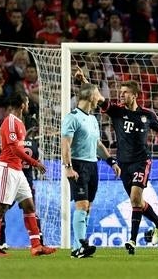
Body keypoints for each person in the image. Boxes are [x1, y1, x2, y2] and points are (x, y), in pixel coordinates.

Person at [99, 80, 158, 255]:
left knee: (135, 197)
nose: (121, 95)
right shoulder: (116, 111)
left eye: (126, 92)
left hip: (142, 161)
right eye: (120, 92)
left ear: (135, 95)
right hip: (123, 164)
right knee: (137, 202)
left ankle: (132, 240)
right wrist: (84, 82)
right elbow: (99, 99)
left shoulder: (148, 115)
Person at [0, 91, 56, 257]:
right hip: (6, 169)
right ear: (21, 104)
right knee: (0, 208)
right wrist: (34, 163)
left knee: (29, 205)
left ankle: (36, 246)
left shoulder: (20, 123)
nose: (27, 105)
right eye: (26, 101)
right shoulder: (11, 121)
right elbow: (12, 148)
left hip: (17, 171)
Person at [61, 82, 121, 258]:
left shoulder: (93, 119)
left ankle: (76, 249)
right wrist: (68, 167)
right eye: (97, 95)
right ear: (89, 96)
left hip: (92, 165)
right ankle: (81, 244)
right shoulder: (72, 117)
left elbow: (97, 144)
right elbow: (65, 144)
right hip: (78, 165)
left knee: (88, 208)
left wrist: (111, 161)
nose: (99, 99)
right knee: (82, 205)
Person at [0, 129, 43, 251]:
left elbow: (1, 159)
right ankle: (40, 241)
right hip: (27, 182)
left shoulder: (11, 144)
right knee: (31, 211)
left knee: (0, 211)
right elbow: (36, 159)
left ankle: (1, 242)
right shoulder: (33, 145)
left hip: (12, 180)